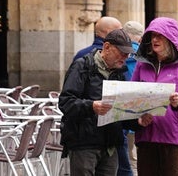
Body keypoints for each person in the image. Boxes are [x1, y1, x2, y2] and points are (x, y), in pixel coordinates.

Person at [58, 28, 153, 176]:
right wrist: (92, 106)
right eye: (121, 52)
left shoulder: (119, 73)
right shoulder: (82, 66)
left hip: (110, 145)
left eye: (127, 54)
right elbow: (66, 102)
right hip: (84, 143)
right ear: (107, 47)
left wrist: (137, 121)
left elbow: (121, 112)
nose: (125, 57)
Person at [131, 17, 178, 176]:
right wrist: (138, 116)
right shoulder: (142, 65)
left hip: (174, 138)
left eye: (159, 36)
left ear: (170, 38)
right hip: (146, 137)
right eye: (152, 35)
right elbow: (132, 96)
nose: (154, 39)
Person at [116, 21, 144, 176]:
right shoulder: (144, 54)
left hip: (120, 100)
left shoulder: (119, 51)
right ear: (139, 37)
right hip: (139, 102)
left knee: (123, 148)